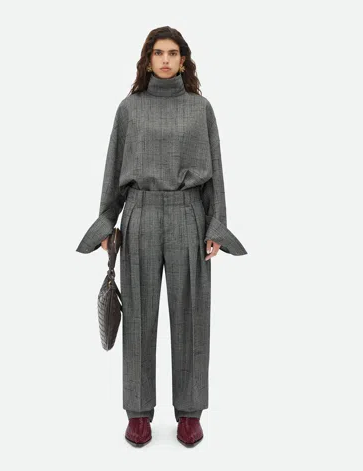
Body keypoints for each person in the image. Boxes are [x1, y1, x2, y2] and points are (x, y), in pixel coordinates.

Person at [76, 26, 247, 447]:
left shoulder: (200, 108)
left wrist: (215, 226)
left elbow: (215, 173)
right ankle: (138, 413)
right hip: (140, 212)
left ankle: (190, 412)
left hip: (189, 214)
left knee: (192, 313)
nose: (166, 60)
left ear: (183, 60)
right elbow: (113, 169)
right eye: (158, 53)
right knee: (138, 316)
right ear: (148, 59)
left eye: (172, 53)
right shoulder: (129, 109)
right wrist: (107, 222)